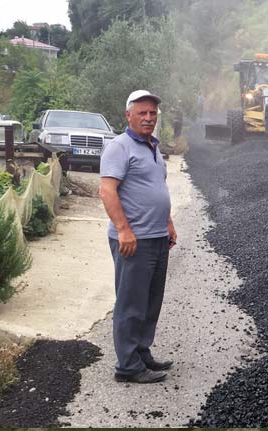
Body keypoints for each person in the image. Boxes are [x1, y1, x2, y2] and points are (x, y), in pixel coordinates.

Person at [99, 90, 177, 384]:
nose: (148, 118)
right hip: (134, 240)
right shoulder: (119, 147)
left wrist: (168, 223)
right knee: (131, 303)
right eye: (142, 113)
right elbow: (107, 190)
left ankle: (141, 352)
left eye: (152, 113)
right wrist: (123, 229)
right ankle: (128, 366)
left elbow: (158, 189)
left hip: (157, 237)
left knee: (150, 302)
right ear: (128, 115)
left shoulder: (153, 148)